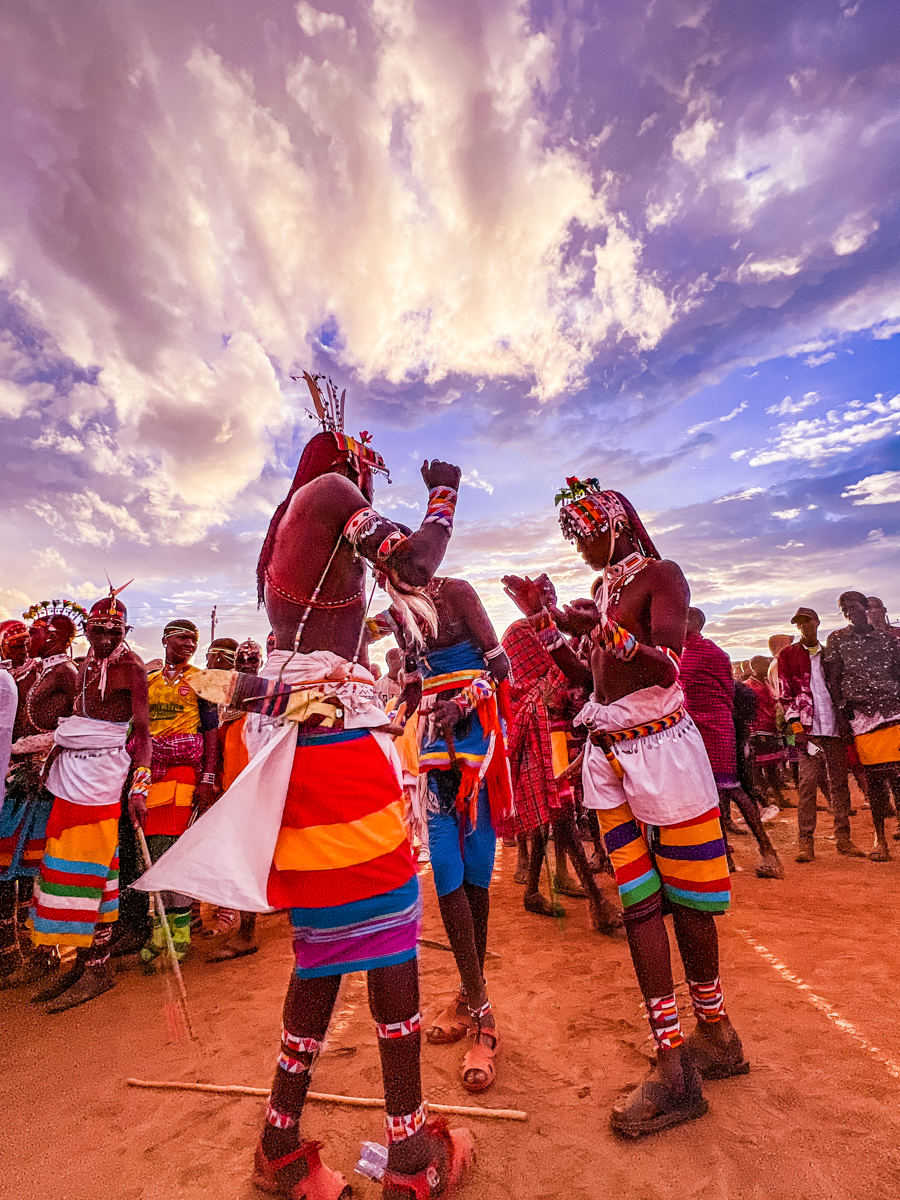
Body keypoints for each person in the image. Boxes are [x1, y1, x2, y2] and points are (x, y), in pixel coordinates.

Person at [135, 386, 474, 1199]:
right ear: (346, 460)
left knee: (326, 945)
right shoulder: (331, 495)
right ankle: (409, 1155)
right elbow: (416, 562)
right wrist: (444, 493)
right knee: (391, 936)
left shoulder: (297, 522)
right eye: (369, 469)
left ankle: (280, 1144)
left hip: (310, 739)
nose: (372, 482)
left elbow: (347, 621)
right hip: (331, 750)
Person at [504, 480, 746, 1138]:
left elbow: (667, 663)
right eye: (573, 535)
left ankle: (715, 1036)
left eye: (588, 531)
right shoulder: (608, 592)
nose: (581, 545)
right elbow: (589, 680)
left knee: (690, 904)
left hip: (665, 755)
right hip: (609, 761)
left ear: (618, 525)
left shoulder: (661, 576)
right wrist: (546, 625)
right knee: (639, 903)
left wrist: (603, 629)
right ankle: (676, 1061)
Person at [413, 575, 515, 1097]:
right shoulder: (400, 609)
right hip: (432, 750)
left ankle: (467, 995)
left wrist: (463, 702)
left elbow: (502, 668)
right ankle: (482, 1012)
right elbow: (411, 679)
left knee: (475, 877)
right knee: (447, 878)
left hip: (477, 746)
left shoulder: (456, 594)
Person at [28, 590, 151, 1009]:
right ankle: (81, 961)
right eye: (96, 630)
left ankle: (100, 966)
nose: (103, 639)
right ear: (86, 631)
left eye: (112, 631)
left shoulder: (132, 669)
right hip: (71, 774)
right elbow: (71, 719)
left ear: (124, 631)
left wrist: (139, 787)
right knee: (61, 864)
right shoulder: (81, 668)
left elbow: (144, 737)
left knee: (94, 867)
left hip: (103, 778)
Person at [502, 591, 622, 929]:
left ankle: (534, 890)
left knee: (554, 810)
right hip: (541, 731)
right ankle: (597, 900)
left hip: (555, 732)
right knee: (560, 811)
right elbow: (547, 686)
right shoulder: (522, 634)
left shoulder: (551, 634)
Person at [0, 601, 82, 987]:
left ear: (51, 637)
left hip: (46, 780)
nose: (26, 641)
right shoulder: (23, 675)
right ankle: (11, 951)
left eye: (32, 634)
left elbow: (77, 722)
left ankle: (42, 951)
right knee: (8, 869)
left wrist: (38, 753)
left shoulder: (67, 672)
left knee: (36, 869)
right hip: (18, 779)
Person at [679, 609, 782, 879]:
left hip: (701, 727)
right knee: (725, 788)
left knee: (723, 790)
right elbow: (728, 690)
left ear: (693, 623)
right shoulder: (717, 652)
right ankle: (752, 852)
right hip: (721, 723)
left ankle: (756, 853)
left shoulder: (686, 653)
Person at [137, 618, 218, 964]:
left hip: (186, 773)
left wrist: (208, 778)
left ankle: (181, 935)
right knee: (154, 851)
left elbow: (211, 733)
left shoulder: (202, 680)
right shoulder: (149, 681)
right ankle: (160, 933)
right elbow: (138, 731)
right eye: (182, 637)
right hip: (151, 774)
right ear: (165, 640)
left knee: (176, 850)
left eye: (194, 639)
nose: (189, 643)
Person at [778, 607, 864, 862]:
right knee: (807, 785)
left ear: (817, 623)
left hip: (834, 729)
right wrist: (797, 731)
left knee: (839, 785)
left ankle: (844, 839)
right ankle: (806, 843)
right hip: (808, 730)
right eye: (800, 624)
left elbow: (842, 690)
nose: (805, 627)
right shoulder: (788, 656)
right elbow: (785, 697)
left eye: (809, 622)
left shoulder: (830, 655)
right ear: (797, 628)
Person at [825, 591, 900, 862]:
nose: (848, 612)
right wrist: (841, 718)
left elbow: (898, 674)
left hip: (894, 714)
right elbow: (833, 682)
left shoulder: (887, 640)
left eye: (853, 607)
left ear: (866, 607)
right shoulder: (837, 640)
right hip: (861, 718)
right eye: (844, 609)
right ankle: (880, 840)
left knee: (899, 778)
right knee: (876, 781)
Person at [207, 637, 263, 963]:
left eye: (252, 661)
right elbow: (217, 740)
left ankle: (247, 934)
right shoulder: (227, 696)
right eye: (241, 662)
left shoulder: (268, 694)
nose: (246, 666)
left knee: (250, 858)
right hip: (232, 785)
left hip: (257, 787)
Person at [745, 657, 786, 808]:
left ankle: (777, 797)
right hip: (757, 730)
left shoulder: (766, 683)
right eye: (763, 665)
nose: (767, 667)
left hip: (771, 728)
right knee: (758, 767)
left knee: (772, 766)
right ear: (755, 666)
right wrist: (752, 731)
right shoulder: (748, 686)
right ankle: (765, 800)